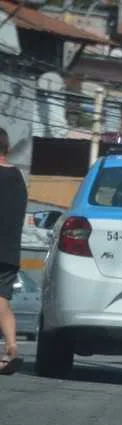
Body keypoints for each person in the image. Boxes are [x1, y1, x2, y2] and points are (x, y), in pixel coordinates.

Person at [0, 127, 28, 375]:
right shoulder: (19, 177)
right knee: (2, 300)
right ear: (7, 149)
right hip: (10, 252)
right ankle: (11, 346)